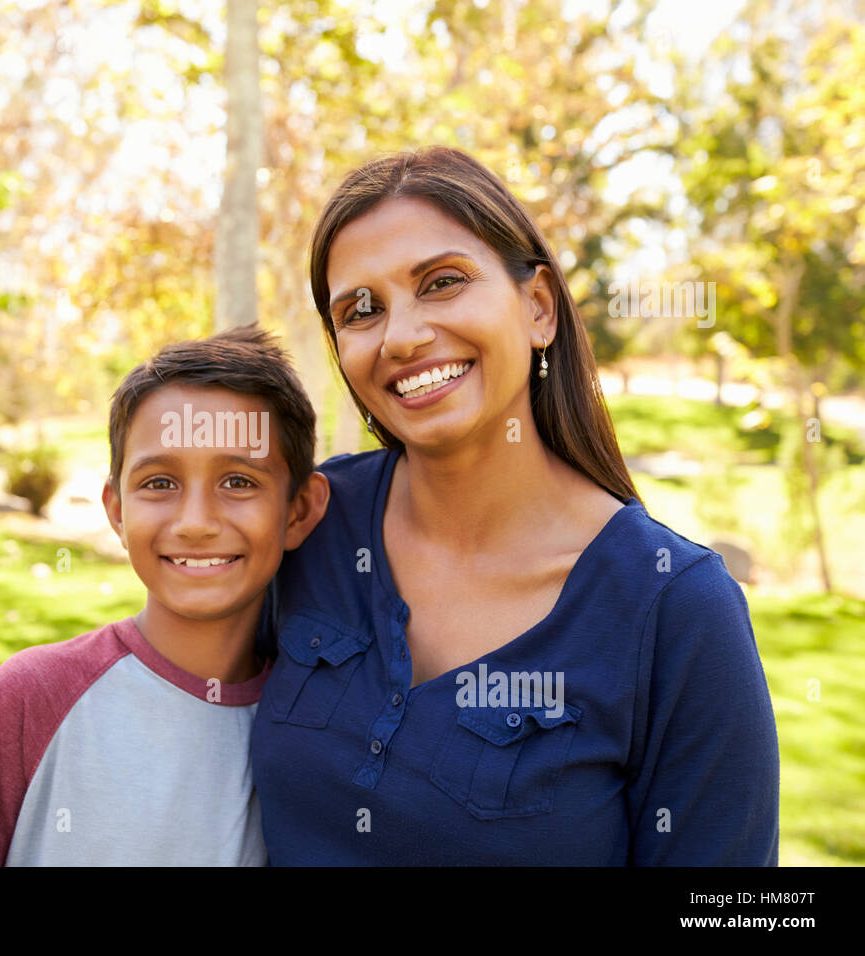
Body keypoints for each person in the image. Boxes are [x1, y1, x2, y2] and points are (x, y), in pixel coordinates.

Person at [249, 146, 780, 865]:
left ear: (537, 307)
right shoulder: (308, 525)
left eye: (441, 283)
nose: (401, 335)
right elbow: (172, 701)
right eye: (361, 310)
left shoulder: (675, 609)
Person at [0, 326, 329, 865]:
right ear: (116, 510)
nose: (196, 523)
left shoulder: (310, 722)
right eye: (159, 483)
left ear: (299, 510)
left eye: (239, 482)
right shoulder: (31, 696)